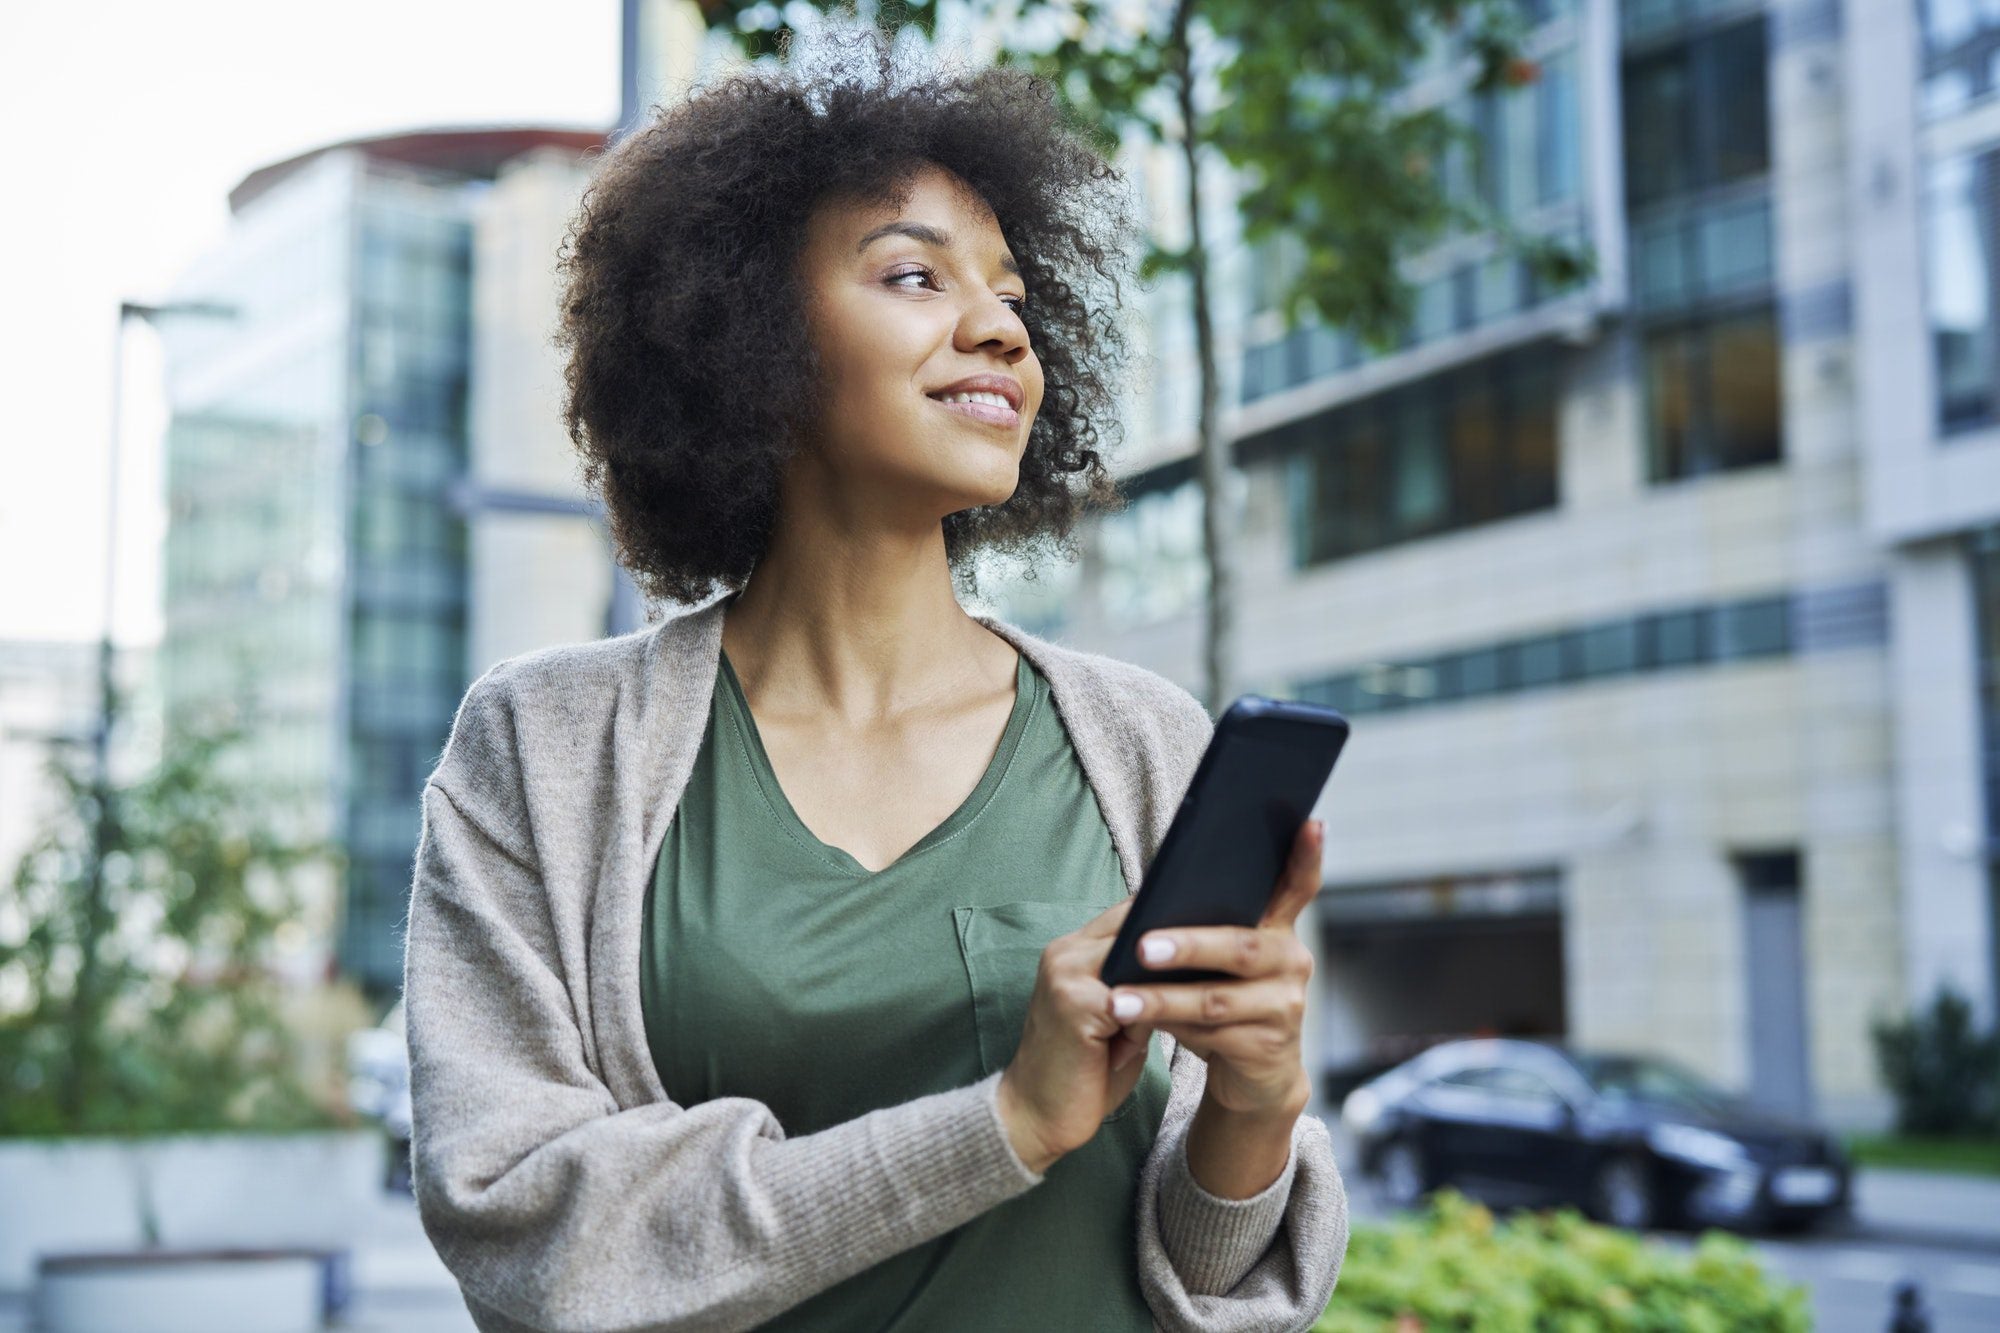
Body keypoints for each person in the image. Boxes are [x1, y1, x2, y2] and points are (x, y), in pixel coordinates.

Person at [403, 25, 1347, 1333]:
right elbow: (528, 1227)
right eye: (915, 275)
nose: (997, 330)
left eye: (1014, 295)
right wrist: (1005, 1121)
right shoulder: (550, 743)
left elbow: (1211, 1276)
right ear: (745, 338)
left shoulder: (1142, 740)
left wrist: (1257, 1103)